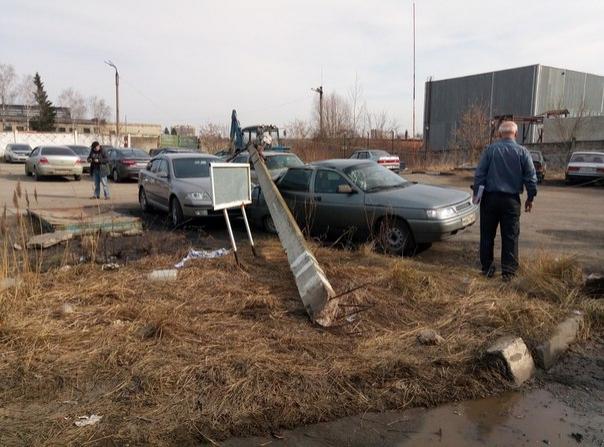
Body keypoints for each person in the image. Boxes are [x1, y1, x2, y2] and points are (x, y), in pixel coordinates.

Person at [473, 121, 537, 281]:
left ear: (500, 134)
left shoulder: (490, 150)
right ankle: (508, 272)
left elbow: (480, 175)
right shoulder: (523, 152)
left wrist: (477, 195)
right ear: (515, 134)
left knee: (487, 235)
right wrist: (530, 197)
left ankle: (487, 269)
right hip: (511, 201)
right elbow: (531, 178)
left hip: (490, 199)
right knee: (510, 236)